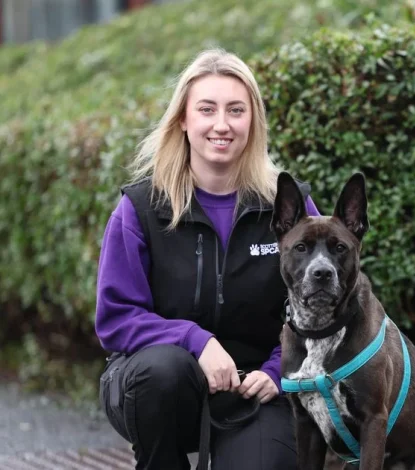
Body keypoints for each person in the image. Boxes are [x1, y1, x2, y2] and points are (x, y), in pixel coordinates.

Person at [95, 48, 319, 470]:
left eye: (236, 110)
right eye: (207, 109)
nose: (222, 124)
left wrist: (277, 370)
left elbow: (322, 308)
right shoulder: (141, 208)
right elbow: (116, 319)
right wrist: (196, 342)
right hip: (163, 387)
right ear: (183, 119)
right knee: (161, 372)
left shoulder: (290, 207)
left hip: (256, 388)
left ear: (252, 122)